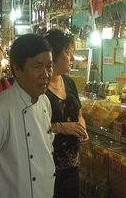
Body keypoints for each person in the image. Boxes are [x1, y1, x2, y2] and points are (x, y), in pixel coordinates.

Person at [0, 34, 55, 198]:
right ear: (17, 69)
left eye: (49, 66)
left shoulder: (45, 103)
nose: (46, 74)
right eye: (37, 66)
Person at [44, 29, 89, 198]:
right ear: (54, 56)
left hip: (72, 164)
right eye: (68, 53)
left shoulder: (69, 82)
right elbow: (30, 126)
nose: (72, 58)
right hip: (48, 165)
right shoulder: (40, 86)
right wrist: (62, 127)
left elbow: (79, 113)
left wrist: (81, 126)